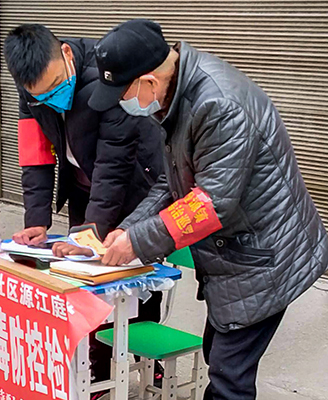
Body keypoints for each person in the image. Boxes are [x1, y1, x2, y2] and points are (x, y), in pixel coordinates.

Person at [89, 19, 328, 399]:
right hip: (236, 255)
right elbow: (173, 183)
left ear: (148, 81)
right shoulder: (177, 95)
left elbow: (210, 203)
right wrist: (128, 229)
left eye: (123, 92)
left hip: (264, 257)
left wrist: (137, 242)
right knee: (221, 360)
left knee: (229, 379)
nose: (121, 102)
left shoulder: (218, 105)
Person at [3, 24, 165, 390]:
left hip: (134, 187)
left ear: (66, 54)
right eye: (42, 95)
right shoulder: (29, 89)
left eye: (56, 85)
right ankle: (99, 372)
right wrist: (37, 220)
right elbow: (35, 155)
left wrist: (93, 230)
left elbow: (113, 166)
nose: (52, 98)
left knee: (138, 282)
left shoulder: (107, 76)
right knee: (88, 284)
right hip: (82, 188)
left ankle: (146, 361)